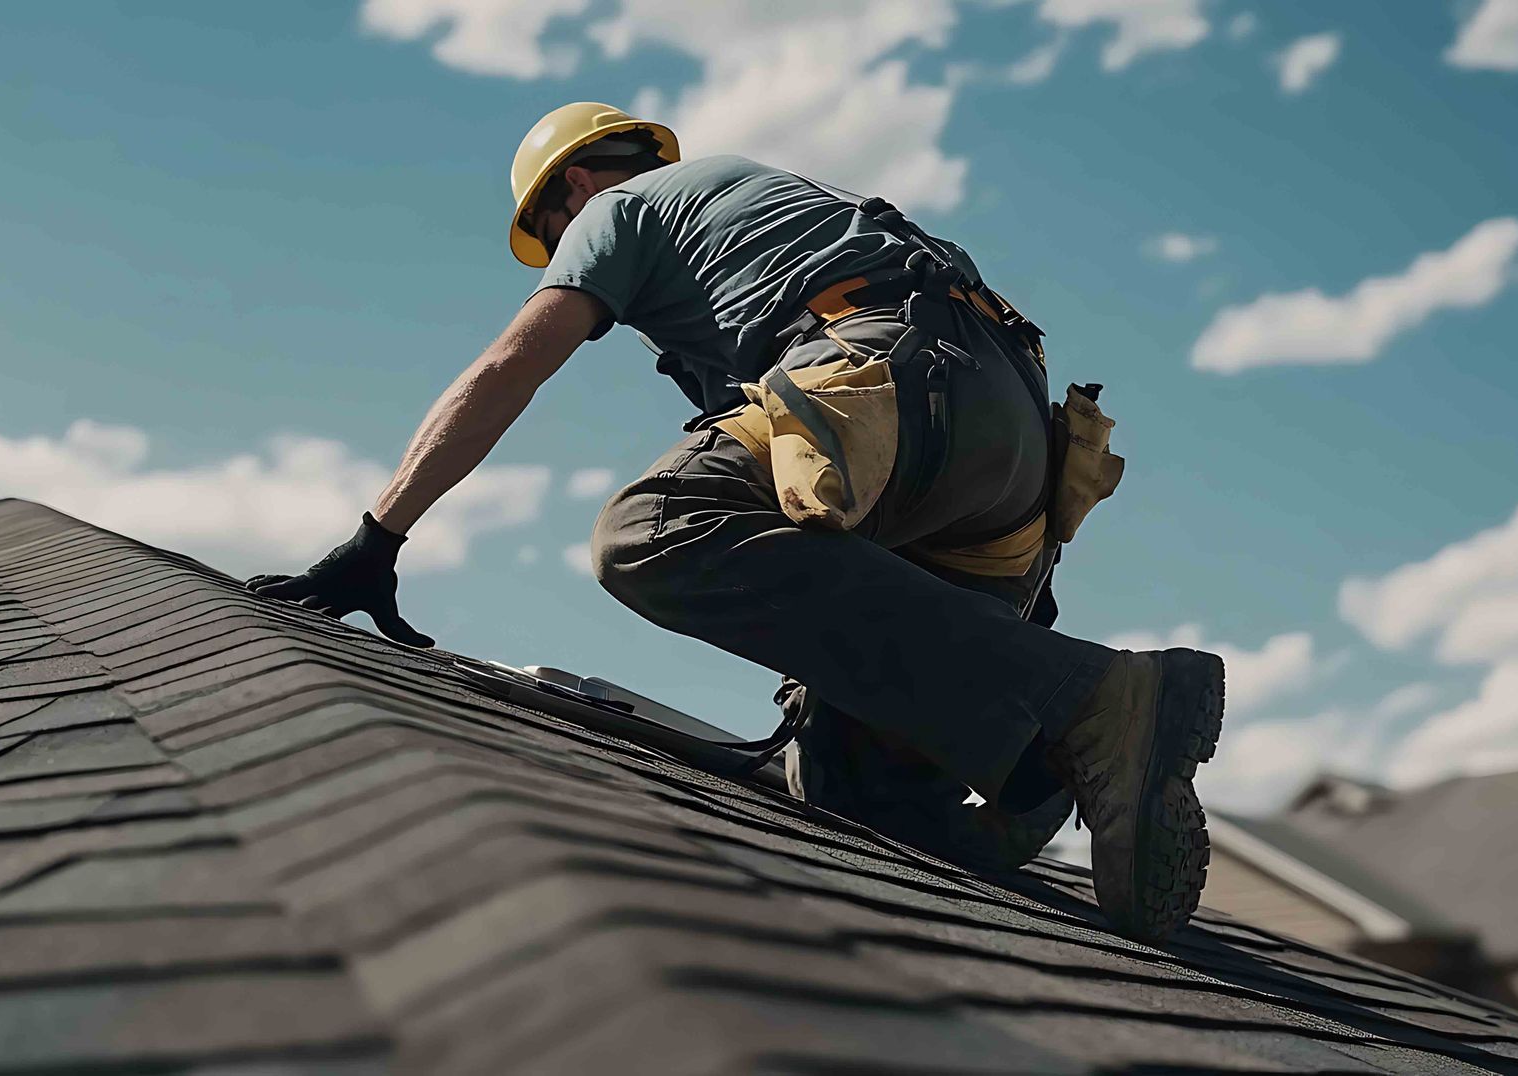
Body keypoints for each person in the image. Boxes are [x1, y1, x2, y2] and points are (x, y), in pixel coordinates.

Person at [248, 103, 1225, 943]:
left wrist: (377, 539)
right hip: (1016, 451)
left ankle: (1089, 697)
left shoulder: (620, 210)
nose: (562, 253)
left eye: (552, 232)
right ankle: (1034, 759)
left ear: (575, 187)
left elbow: (510, 363)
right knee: (849, 787)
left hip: (895, 380)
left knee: (652, 527)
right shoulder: (770, 213)